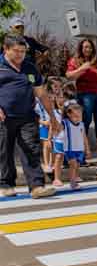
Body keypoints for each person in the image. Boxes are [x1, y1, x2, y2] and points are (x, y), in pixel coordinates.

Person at [0, 35, 58, 198]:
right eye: (16, 51)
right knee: (4, 151)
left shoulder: (30, 68)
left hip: (27, 116)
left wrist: (52, 117)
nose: (20, 55)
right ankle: (6, 184)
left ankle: (36, 186)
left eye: (23, 51)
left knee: (31, 149)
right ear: (6, 49)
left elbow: (41, 94)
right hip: (4, 118)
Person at [61, 102, 90, 190]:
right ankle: (72, 183)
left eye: (80, 116)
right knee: (73, 164)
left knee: (77, 165)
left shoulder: (81, 124)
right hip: (69, 149)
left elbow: (84, 137)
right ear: (69, 114)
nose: (78, 118)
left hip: (79, 148)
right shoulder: (65, 123)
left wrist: (87, 149)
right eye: (76, 116)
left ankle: (75, 179)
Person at [50, 90, 67, 187]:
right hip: (58, 138)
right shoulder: (54, 112)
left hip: (68, 139)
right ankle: (56, 178)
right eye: (59, 97)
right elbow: (54, 125)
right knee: (59, 157)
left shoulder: (69, 111)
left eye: (63, 97)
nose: (62, 99)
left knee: (69, 159)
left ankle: (74, 177)